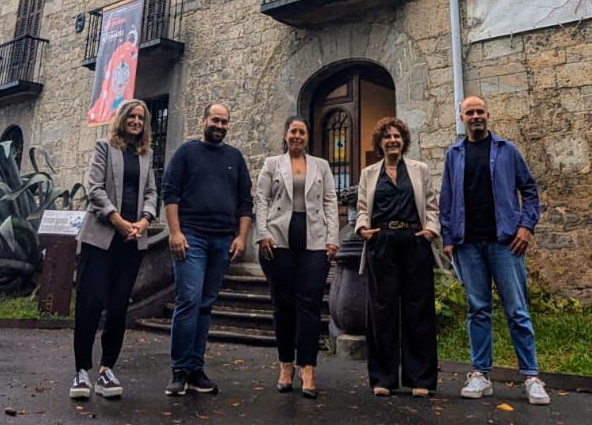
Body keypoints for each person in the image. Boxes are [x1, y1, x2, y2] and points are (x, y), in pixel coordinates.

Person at [439, 95, 549, 405]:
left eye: (479, 111)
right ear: (461, 118)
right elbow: (446, 200)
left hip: (505, 243)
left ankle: (531, 377)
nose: (475, 116)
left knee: (517, 311)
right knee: (478, 310)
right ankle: (480, 375)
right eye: (469, 112)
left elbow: (529, 190)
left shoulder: (506, 151)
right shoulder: (455, 155)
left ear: (488, 115)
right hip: (468, 244)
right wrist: (448, 238)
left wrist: (526, 227)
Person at [161, 102, 252, 397]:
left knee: (205, 304)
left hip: (223, 241)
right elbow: (170, 192)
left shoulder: (235, 158)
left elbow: (245, 202)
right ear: (204, 121)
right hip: (192, 239)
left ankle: (196, 369)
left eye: (225, 122)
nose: (220, 126)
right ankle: (179, 370)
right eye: (215, 120)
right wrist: (175, 232)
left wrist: (241, 237)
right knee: (188, 300)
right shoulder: (186, 153)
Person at [70, 99, 158, 400]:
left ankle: (107, 369)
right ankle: (81, 371)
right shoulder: (104, 148)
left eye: (140, 118)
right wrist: (118, 220)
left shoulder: (146, 155)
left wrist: (144, 221)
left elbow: (151, 192)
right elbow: (94, 188)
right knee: (91, 304)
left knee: (119, 307)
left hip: (132, 241)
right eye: (131, 116)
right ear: (122, 119)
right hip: (102, 239)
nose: (136, 121)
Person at [355, 116, 440, 398]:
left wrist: (430, 230)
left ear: (404, 141)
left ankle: (421, 379)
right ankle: (383, 378)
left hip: (414, 242)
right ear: (380, 143)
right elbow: (362, 207)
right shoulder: (369, 173)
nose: (393, 140)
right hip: (382, 244)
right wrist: (362, 229)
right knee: (382, 311)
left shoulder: (420, 170)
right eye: (387, 137)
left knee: (419, 309)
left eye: (397, 136)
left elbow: (431, 205)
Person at [254, 116, 338, 398]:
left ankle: (308, 367)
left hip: (314, 240)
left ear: (307, 136)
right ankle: (286, 365)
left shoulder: (321, 166)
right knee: (283, 304)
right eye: (293, 131)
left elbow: (330, 201)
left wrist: (332, 240)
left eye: (302, 132)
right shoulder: (271, 164)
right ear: (286, 134)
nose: (297, 136)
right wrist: (262, 232)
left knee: (310, 304)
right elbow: (261, 199)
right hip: (278, 240)